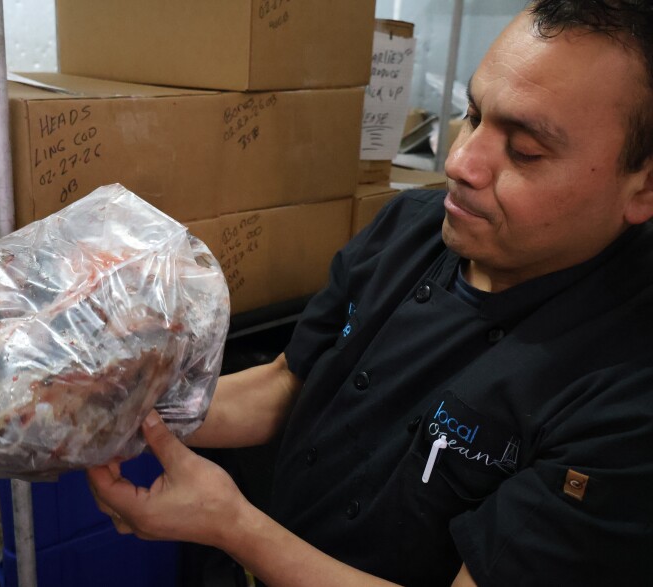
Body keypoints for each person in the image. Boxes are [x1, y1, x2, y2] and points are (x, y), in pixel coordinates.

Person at [88, 1, 653, 584]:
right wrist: (124, 401)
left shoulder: (629, 395)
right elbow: (287, 382)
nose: (461, 161)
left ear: (644, 185)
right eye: (474, 113)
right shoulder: (411, 224)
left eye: (525, 151)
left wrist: (231, 525)